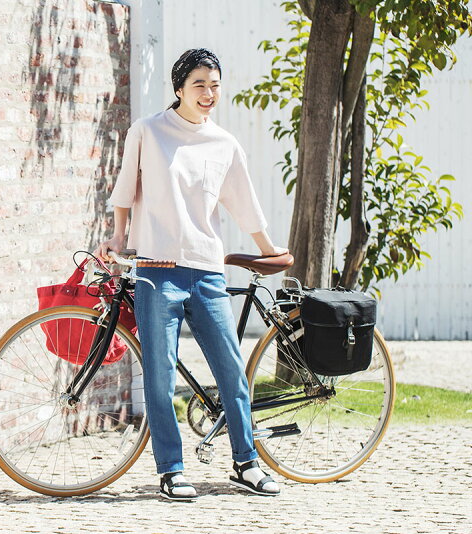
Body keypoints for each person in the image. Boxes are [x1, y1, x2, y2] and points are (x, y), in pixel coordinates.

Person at [96, 48, 288, 500]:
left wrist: (268, 251)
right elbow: (125, 190)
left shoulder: (224, 144)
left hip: (206, 271)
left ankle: (246, 463)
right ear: (178, 87)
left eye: (215, 85)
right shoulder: (147, 131)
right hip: (157, 271)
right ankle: (172, 470)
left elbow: (245, 204)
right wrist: (119, 238)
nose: (208, 93)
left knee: (231, 371)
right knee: (160, 377)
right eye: (200, 84)